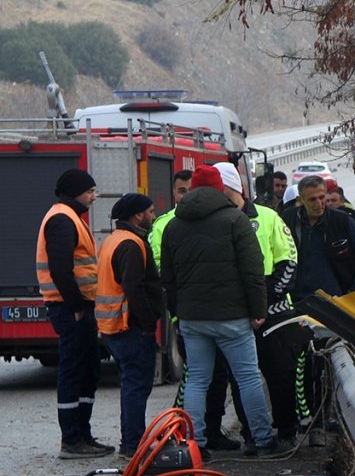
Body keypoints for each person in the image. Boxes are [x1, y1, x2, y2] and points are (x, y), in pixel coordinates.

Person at [160, 165, 285, 458]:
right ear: (220, 188)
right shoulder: (235, 220)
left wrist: (180, 313)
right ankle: (262, 440)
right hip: (233, 318)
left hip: (193, 319)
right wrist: (258, 310)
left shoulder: (173, 226)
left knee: (197, 380)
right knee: (248, 378)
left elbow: (167, 277)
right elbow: (253, 271)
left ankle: (195, 444)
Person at [211, 161, 307, 448]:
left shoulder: (268, 217)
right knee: (241, 379)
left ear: (233, 188)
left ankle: (286, 430)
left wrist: (266, 302)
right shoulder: (216, 222)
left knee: (280, 373)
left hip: (274, 313)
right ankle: (253, 435)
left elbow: (289, 259)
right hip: (235, 314)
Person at [36, 168, 112, 458]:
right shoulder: (62, 218)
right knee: (73, 371)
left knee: (87, 370)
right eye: (90, 191)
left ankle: (83, 434)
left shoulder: (70, 217)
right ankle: (71, 439)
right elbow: (59, 269)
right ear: (77, 191)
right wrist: (77, 307)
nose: (94, 196)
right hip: (70, 308)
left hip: (77, 307)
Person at [96, 194, 162, 458]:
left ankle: (130, 442)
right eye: (150, 210)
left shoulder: (113, 240)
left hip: (113, 326)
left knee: (131, 386)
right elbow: (134, 288)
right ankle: (134, 444)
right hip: (130, 327)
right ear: (137, 215)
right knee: (137, 387)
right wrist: (148, 324)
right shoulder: (132, 244)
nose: (153, 215)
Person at [290, 174, 355, 300]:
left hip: (334, 303)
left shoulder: (342, 221)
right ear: (301, 200)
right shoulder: (289, 219)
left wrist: (351, 294)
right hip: (298, 301)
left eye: (322, 197)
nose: (319, 203)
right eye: (312, 199)